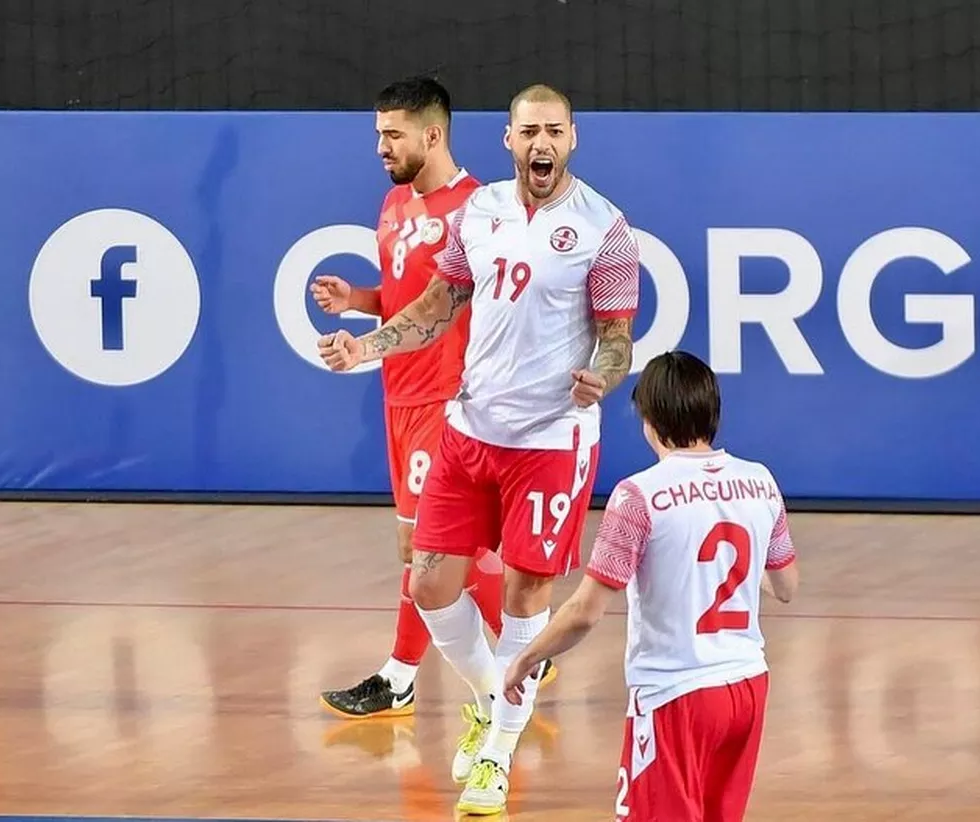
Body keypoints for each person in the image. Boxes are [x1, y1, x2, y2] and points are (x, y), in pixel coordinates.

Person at [317, 82, 641, 815]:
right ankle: (495, 702)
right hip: (471, 427)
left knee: (527, 594)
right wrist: (365, 345)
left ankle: (494, 756)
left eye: (554, 132)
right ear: (508, 140)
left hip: (551, 439)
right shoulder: (481, 213)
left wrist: (605, 376)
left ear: (573, 138)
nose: (541, 145)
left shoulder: (606, 229)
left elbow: (618, 336)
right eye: (529, 132)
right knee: (430, 581)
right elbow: (436, 308)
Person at [311, 76, 555, 722]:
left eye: (392, 135)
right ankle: (528, 648)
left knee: (435, 548)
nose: (381, 147)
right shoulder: (394, 206)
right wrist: (358, 302)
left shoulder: (479, 208)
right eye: (378, 135)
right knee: (434, 548)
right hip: (400, 397)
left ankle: (403, 675)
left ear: (433, 133)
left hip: (450, 401)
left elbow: (461, 303)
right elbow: (407, 299)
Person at [502, 350, 799, 822]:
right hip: (748, 687)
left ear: (651, 420)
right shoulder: (760, 482)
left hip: (676, 694)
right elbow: (785, 584)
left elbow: (585, 611)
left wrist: (525, 657)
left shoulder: (638, 496)